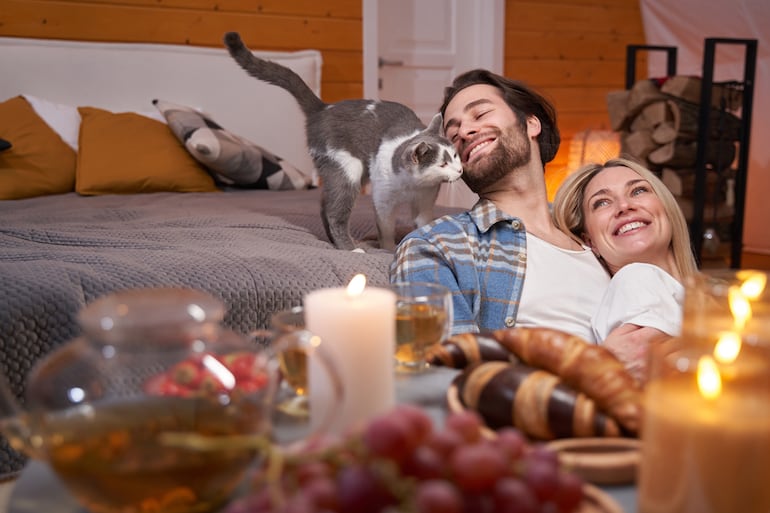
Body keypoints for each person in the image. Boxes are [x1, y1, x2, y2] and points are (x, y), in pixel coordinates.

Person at [390, 69, 610, 340]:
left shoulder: (596, 231)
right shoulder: (436, 246)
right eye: (453, 133)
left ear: (531, 123)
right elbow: (447, 370)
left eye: (480, 114)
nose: (465, 132)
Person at [552, 157, 699, 381]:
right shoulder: (635, 279)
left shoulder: (707, 297)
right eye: (601, 202)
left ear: (665, 208)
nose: (624, 206)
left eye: (638, 191)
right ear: (590, 241)